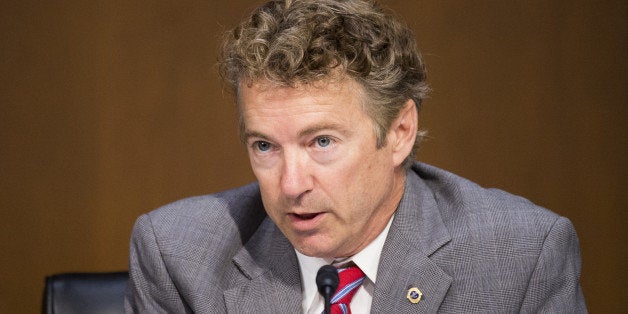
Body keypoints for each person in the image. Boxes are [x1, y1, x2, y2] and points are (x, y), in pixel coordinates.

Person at [124, 0, 586, 312]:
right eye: (265, 145)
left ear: (400, 132)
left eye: (321, 141)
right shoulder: (179, 256)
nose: (290, 185)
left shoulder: (520, 258)